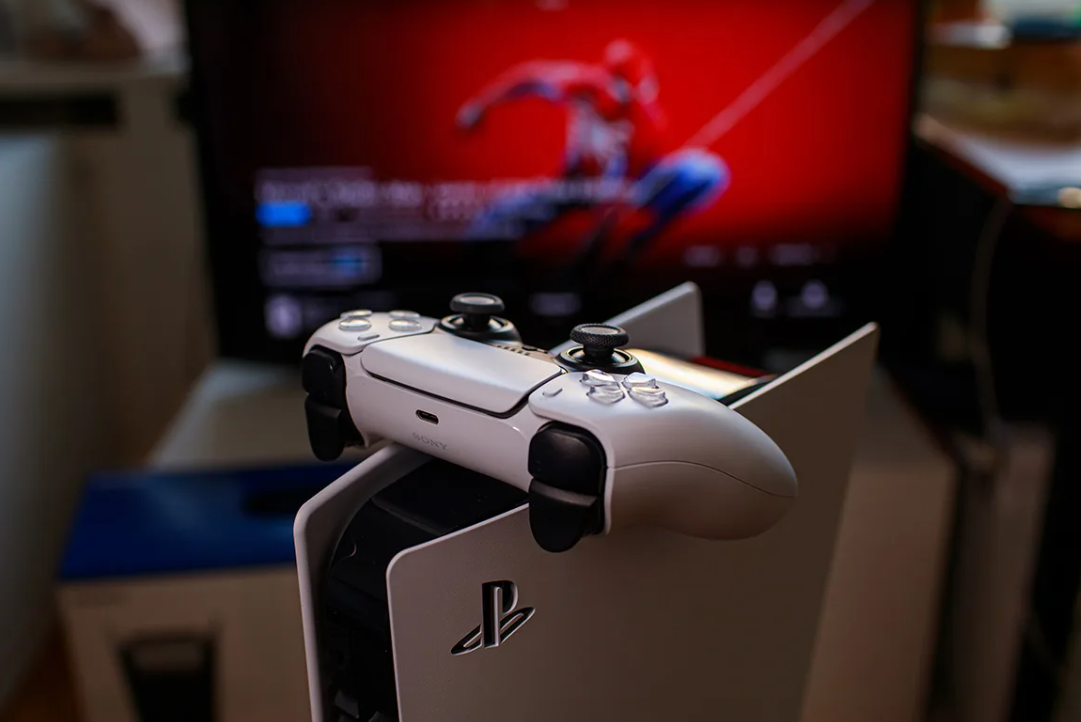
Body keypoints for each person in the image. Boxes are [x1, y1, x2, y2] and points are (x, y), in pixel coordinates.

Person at [457, 39, 729, 273]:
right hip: (573, 184)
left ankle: (632, 247)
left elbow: (621, 199)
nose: (628, 98)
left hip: (627, 191)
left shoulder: (649, 125)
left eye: (638, 89)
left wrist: (595, 251)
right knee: (487, 229)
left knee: (705, 171)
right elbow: (529, 79)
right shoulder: (582, 85)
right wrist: (479, 105)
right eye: (620, 88)